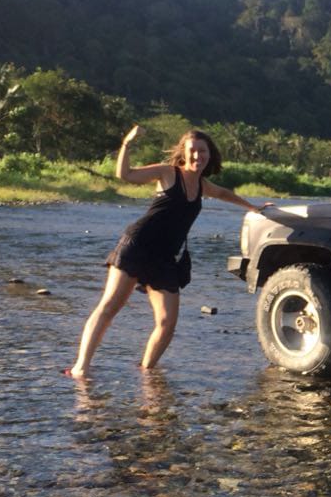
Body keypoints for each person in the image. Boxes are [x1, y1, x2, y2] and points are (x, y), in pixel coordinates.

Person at [67, 125, 266, 377]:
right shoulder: (168, 173)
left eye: (202, 151)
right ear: (183, 153)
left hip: (165, 258)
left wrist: (253, 207)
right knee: (109, 308)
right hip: (137, 246)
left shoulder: (202, 185)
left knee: (167, 323)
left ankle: (147, 373)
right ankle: (81, 368)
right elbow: (125, 174)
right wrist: (127, 143)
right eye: (192, 150)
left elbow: (223, 193)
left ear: (209, 154)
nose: (197, 156)